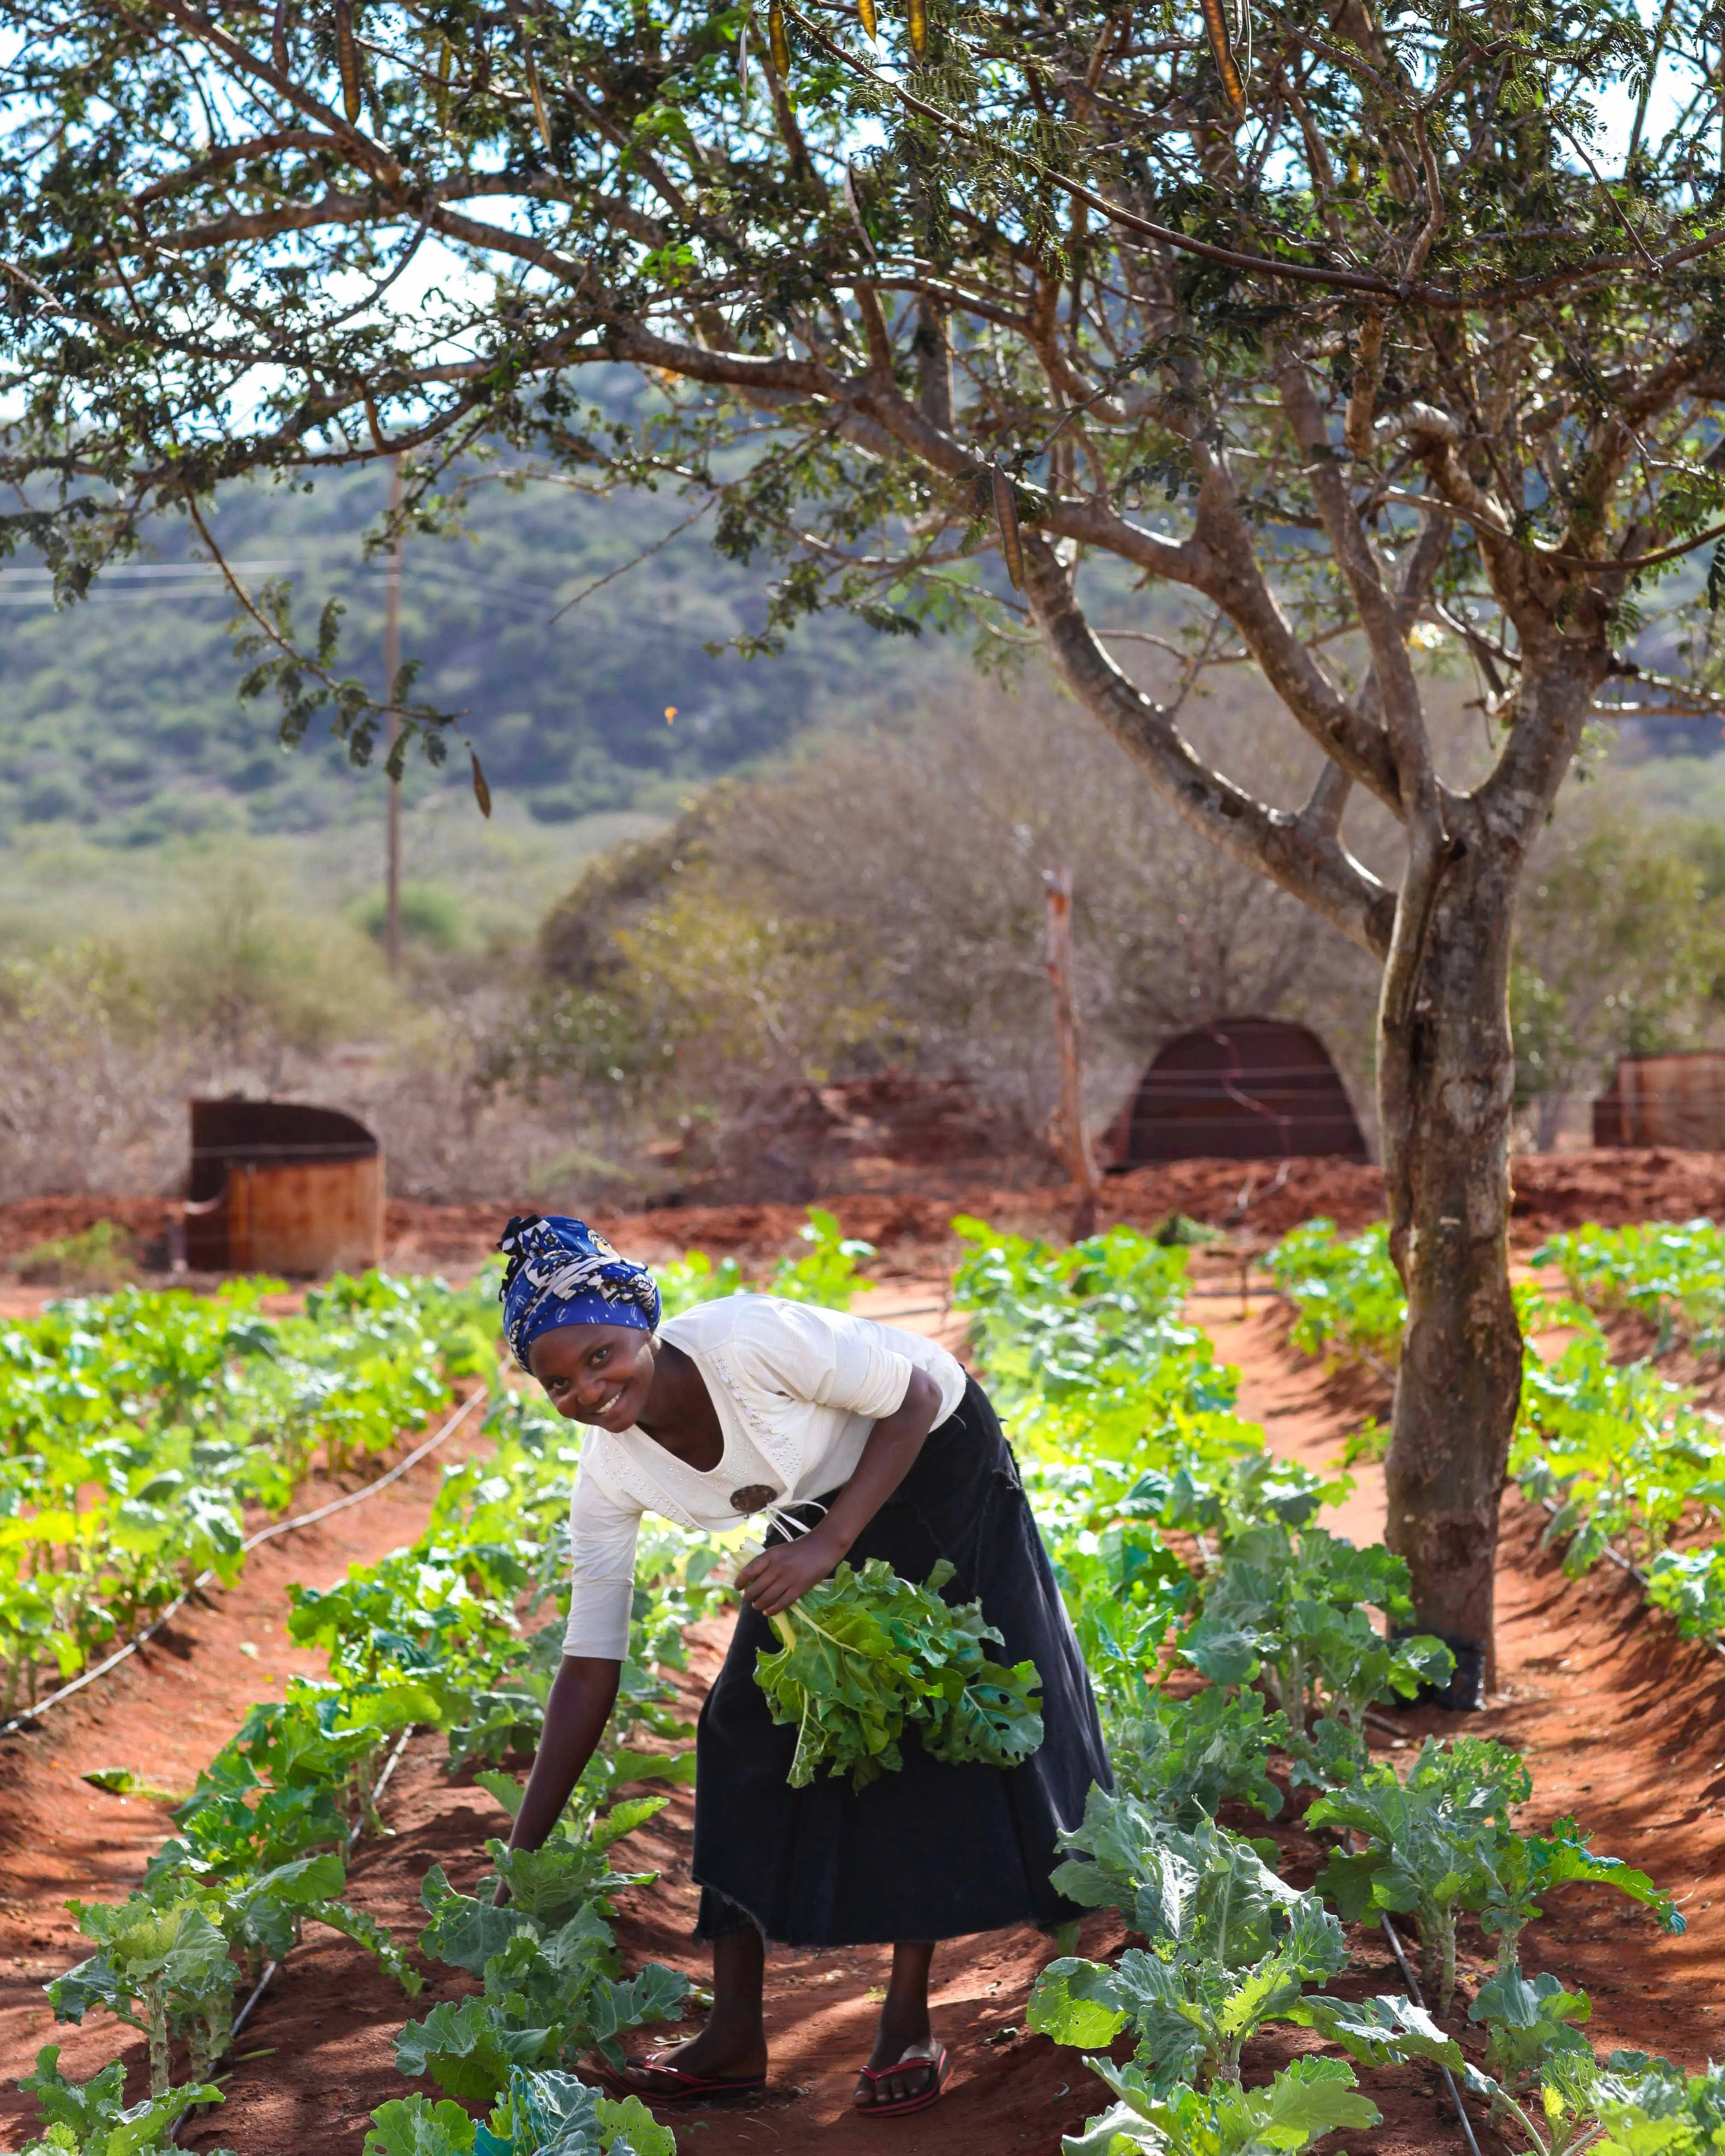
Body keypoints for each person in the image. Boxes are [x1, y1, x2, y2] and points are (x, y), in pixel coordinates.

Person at [496, 1213, 1109, 2120]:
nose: (588, 1391)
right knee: (740, 1726)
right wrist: (523, 1849)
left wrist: (829, 1543)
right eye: (557, 1383)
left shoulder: (749, 1342)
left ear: (644, 1329)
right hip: (820, 1506)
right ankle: (735, 2035)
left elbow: (910, 1400)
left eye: (600, 1357)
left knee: (922, 1712)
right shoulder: (609, 1477)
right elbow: (589, 1667)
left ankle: (905, 2021)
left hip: (936, 1455)